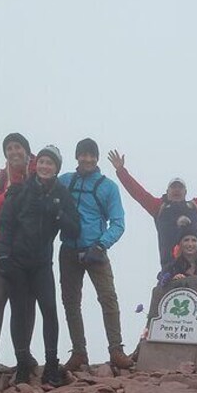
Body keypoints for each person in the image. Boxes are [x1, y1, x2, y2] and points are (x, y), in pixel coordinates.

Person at [0, 145, 80, 387]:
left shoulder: (62, 194)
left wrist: (58, 214)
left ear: (56, 169)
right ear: (36, 165)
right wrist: (3, 256)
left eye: (50, 163)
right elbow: (6, 224)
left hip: (43, 263)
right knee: (19, 312)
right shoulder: (20, 191)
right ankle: (22, 362)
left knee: (49, 311)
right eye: (42, 162)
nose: (45, 166)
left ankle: (51, 365)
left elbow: (74, 228)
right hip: (17, 261)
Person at [58, 138, 133, 371]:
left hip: (96, 249)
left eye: (92, 155)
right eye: (83, 155)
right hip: (69, 249)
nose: (87, 159)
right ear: (77, 156)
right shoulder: (65, 181)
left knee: (108, 298)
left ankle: (116, 350)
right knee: (71, 302)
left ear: (97, 158)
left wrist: (101, 245)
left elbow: (118, 223)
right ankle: (79, 352)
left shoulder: (108, 186)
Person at [108, 149, 197, 269]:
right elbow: (137, 192)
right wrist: (121, 170)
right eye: (173, 187)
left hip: (196, 268)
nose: (176, 190)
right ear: (167, 190)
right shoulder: (158, 207)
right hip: (169, 268)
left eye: (180, 187)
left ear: (185, 191)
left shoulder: (196, 206)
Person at [0, 132, 37, 372]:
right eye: (9, 148)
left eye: (18, 147)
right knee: (0, 298)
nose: (14, 152)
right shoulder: (1, 178)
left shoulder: (39, 171)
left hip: (32, 248)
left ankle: (24, 354)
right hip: (2, 245)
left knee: (27, 302)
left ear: (27, 150)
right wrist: (9, 191)